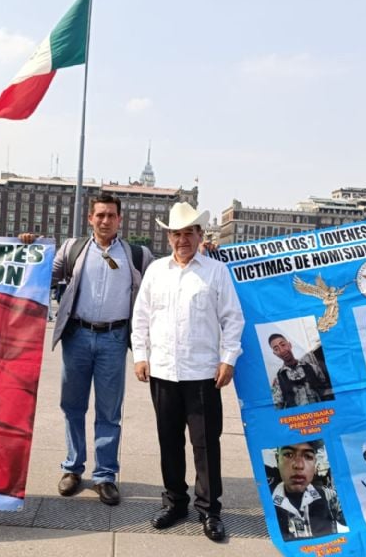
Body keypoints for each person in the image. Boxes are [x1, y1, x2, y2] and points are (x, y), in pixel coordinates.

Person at [21, 193, 153, 506]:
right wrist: (29, 248)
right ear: (90, 218)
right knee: (72, 405)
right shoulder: (73, 249)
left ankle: (105, 475)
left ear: (120, 219)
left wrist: (207, 252)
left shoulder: (138, 255)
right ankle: (73, 468)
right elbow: (40, 275)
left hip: (114, 338)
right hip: (77, 336)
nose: (105, 221)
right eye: (100, 215)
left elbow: (168, 275)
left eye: (111, 215)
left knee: (109, 411)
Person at [132, 202, 244, 541]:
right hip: (164, 371)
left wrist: (228, 359)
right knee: (169, 441)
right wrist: (140, 355)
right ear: (169, 237)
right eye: (176, 234)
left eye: (188, 233)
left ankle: (209, 509)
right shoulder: (156, 271)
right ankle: (175, 502)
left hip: (202, 373)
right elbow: (141, 317)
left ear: (199, 235)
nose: (182, 240)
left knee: (205, 443)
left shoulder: (216, 272)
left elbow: (233, 318)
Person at [271, 440, 347, 541]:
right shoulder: (267, 500)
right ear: (277, 460)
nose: (299, 465)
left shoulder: (328, 496)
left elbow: (355, 518)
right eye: (289, 455)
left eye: (308, 456)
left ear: (315, 463)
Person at [269, 334, 332, 409]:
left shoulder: (314, 368)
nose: (282, 350)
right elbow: (277, 407)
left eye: (283, 345)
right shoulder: (278, 381)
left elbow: (327, 392)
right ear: (275, 353)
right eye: (276, 349)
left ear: (289, 345)